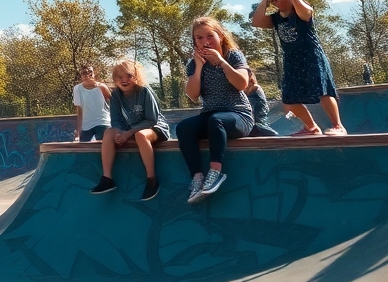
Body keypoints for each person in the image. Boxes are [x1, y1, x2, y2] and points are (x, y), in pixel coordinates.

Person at [252, 0, 346, 136]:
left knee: (323, 92)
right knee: (289, 100)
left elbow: (307, 12)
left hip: (311, 56)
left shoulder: (301, 9)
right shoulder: (275, 18)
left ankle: (338, 126)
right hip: (291, 60)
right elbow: (257, 22)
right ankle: (311, 127)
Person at [177, 17, 254, 204]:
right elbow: (192, 95)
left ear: (220, 36)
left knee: (216, 120)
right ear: (194, 41)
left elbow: (242, 84)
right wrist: (199, 68)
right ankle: (197, 178)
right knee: (183, 128)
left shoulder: (233, 55)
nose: (205, 41)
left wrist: (221, 62)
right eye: (199, 38)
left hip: (239, 116)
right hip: (211, 115)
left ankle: (216, 172)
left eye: (210, 36)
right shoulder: (193, 64)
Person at [91, 59, 168, 201]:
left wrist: (129, 133)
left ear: (136, 77)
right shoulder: (116, 95)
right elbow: (116, 120)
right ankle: (107, 178)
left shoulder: (144, 91)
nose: (124, 80)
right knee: (108, 132)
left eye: (129, 76)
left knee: (140, 135)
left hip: (154, 128)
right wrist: (120, 133)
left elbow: (152, 120)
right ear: (115, 79)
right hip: (130, 129)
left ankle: (152, 179)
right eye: (120, 77)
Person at [72, 65, 111, 142]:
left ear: (94, 73)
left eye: (90, 72)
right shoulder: (77, 89)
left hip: (102, 122)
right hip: (86, 125)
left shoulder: (102, 87)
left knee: (103, 144)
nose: (87, 75)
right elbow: (79, 110)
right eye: (84, 73)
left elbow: (113, 104)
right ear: (81, 75)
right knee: (84, 145)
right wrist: (78, 131)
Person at [244, 70, 277, 137]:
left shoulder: (255, 87)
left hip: (259, 123)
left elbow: (250, 109)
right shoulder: (245, 89)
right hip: (253, 123)